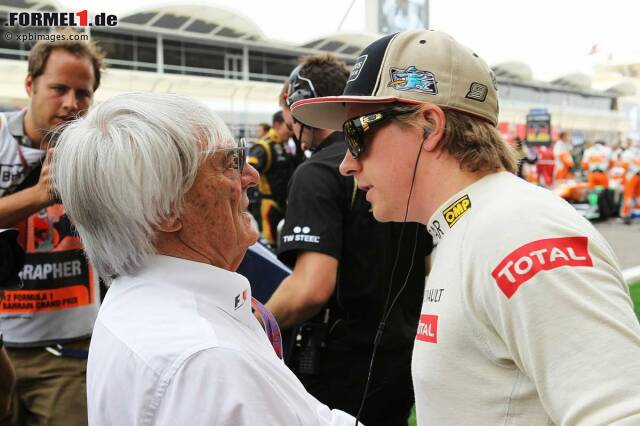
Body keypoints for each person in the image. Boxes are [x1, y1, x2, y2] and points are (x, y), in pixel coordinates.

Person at [291, 29, 640, 425]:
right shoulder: (472, 225)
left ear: (428, 126)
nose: (346, 164)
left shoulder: (521, 231)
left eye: (355, 135)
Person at [51, 92, 360, 425]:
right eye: (230, 162)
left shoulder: (138, 301)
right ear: (166, 208)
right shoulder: (207, 360)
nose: (251, 176)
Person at [265, 53, 432, 426]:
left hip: (341, 369)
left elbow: (311, 288)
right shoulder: (398, 162)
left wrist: (254, 322)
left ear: (300, 107)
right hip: (405, 362)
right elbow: (430, 267)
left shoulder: (317, 172)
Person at [0, 31, 104, 425]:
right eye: (59, 88)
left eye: (84, 93)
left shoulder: (100, 151)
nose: (71, 104)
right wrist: (39, 196)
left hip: (70, 353)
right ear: (30, 84)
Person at [248, 111, 295, 248]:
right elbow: (248, 175)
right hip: (268, 205)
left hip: (285, 203)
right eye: (289, 126)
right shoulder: (263, 146)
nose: (292, 130)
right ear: (277, 125)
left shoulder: (285, 145)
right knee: (271, 245)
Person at [621, 138, 640, 224]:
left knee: (631, 197)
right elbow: (624, 166)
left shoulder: (627, 153)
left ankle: (628, 215)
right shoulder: (627, 153)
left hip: (633, 176)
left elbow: (624, 166)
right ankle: (627, 215)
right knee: (630, 197)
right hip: (632, 175)